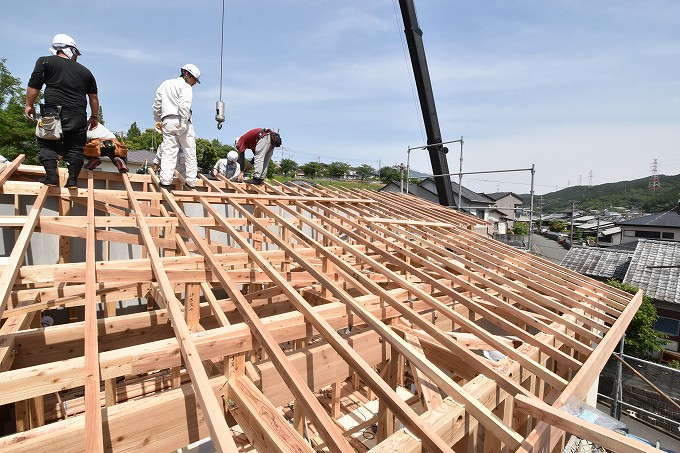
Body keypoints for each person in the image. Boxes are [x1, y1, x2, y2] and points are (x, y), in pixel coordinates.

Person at [24, 33, 99, 188]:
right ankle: (72, 181)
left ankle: (51, 177)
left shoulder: (45, 61)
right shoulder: (86, 72)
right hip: (78, 115)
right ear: (70, 50)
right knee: (75, 149)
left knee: (47, 144)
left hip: (53, 112)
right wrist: (94, 117)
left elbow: (34, 86)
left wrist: (29, 105)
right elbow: (93, 98)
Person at [152, 64, 200, 188]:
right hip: (181, 120)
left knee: (169, 151)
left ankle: (165, 181)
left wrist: (158, 120)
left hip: (167, 121)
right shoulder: (186, 86)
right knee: (189, 150)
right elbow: (184, 105)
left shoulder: (165, 84)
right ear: (187, 74)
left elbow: (157, 105)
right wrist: (183, 122)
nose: (194, 83)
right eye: (194, 80)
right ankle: (191, 181)